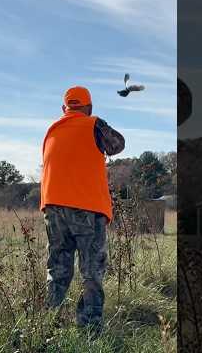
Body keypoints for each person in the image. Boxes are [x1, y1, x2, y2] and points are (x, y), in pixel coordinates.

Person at [40, 86, 125, 334]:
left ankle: (48, 325)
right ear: (89, 108)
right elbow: (118, 145)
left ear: (63, 109)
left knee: (57, 269)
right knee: (91, 271)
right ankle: (89, 330)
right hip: (86, 208)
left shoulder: (52, 130)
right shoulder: (94, 124)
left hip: (53, 208)